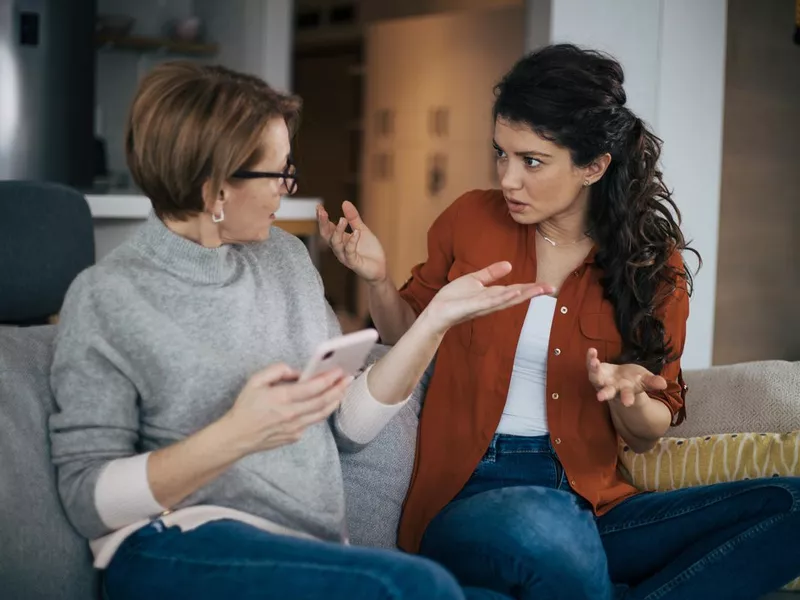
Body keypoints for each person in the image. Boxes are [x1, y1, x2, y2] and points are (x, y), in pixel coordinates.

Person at [48, 61, 550, 600]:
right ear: (215, 189)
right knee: (414, 587)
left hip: (305, 547)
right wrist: (238, 434)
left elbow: (350, 428)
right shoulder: (107, 296)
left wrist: (434, 320)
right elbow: (86, 498)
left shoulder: (285, 259)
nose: (287, 192)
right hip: (177, 543)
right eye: (278, 175)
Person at [319, 44, 800, 599]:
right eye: (501, 154)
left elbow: (649, 430)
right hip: (468, 502)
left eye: (532, 161)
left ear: (593, 165)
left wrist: (627, 398)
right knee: (540, 523)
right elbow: (409, 337)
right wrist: (377, 278)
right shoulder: (470, 220)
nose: (508, 179)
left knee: (792, 503)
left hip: (591, 507)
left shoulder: (650, 262)